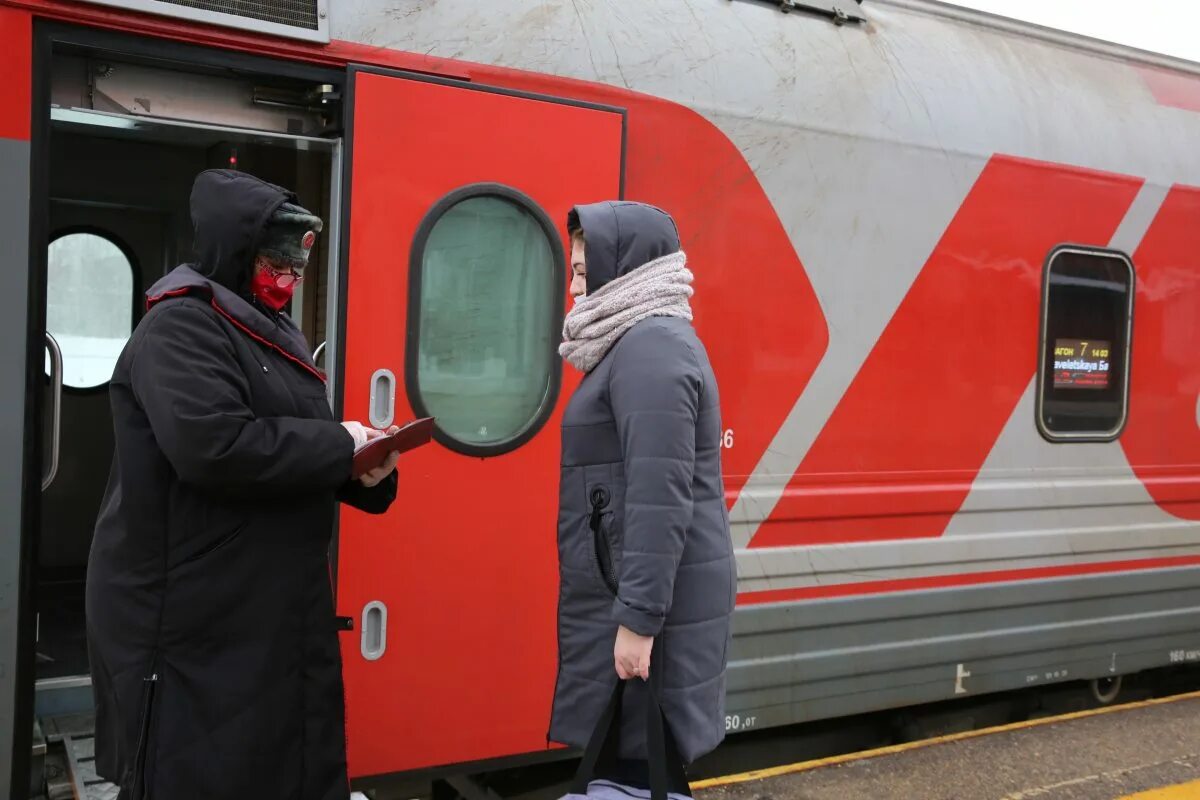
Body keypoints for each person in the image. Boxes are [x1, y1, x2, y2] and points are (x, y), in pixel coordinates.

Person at [86, 169, 398, 800]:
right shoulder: (181, 328)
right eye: (274, 264)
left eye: (295, 269)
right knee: (201, 768)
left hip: (264, 604)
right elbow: (215, 447)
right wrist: (341, 442)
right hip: (192, 613)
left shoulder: (269, 329)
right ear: (235, 250)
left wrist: (365, 469)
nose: (286, 281)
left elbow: (292, 439)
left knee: (276, 761)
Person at [550, 201, 736, 792]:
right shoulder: (638, 340)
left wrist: (637, 622)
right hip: (637, 590)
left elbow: (661, 496)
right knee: (632, 767)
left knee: (639, 767)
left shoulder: (651, 349)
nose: (575, 287)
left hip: (651, 605)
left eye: (582, 270)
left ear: (620, 266)